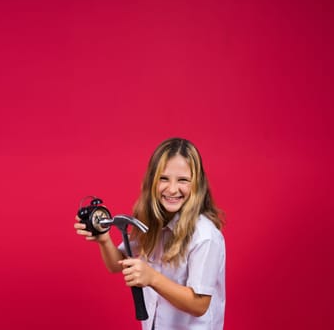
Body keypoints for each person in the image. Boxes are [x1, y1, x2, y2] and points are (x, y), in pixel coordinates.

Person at [74, 137, 226, 330]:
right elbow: (116, 264)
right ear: (152, 180)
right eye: (164, 178)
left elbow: (199, 304)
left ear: (197, 184)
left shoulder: (205, 236)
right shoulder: (152, 223)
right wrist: (103, 239)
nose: (172, 189)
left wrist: (152, 278)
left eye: (183, 180)